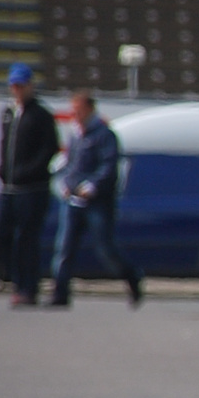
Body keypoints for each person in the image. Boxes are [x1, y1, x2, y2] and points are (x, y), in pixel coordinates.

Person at [50, 91, 142, 308]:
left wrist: (91, 186)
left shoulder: (104, 134)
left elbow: (109, 167)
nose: (76, 115)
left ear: (90, 109)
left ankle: (132, 277)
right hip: (73, 202)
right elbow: (70, 164)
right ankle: (60, 295)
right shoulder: (75, 134)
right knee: (64, 248)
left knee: (105, 249)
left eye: (79, 110)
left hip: (97, 203)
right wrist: (66, 184)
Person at [0, 63, 58, 307]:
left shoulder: (40, 115)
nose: (17, 90)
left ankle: (28, 287)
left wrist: (29, 171)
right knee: (0, 233)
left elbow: (49, 149)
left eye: (21, 85)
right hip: (9, 188)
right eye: (14, 86)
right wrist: (2, 169)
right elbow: (4, 144)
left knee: (26, 239)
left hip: (32, 189)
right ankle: (14, 278)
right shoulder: (9, 113)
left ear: (30, 86)